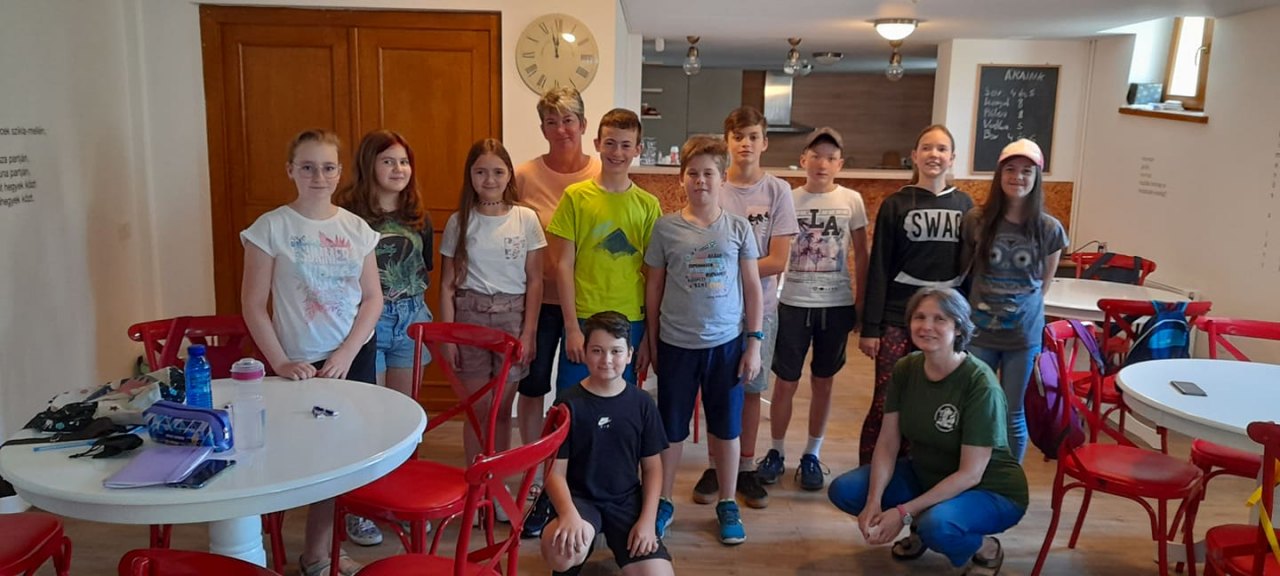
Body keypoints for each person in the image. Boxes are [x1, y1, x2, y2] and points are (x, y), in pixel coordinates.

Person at [240, 128, 381, 576]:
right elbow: (252, 304)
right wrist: (280, 361)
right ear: (291, 171)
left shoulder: (357, 229)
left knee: (342, 458)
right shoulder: (270, 228)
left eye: (327, 167)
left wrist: (347, 352)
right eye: (307, 167)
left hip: (350, 357)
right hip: (297, 362)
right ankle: (260, 547)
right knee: (302, 456)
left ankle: (318, 555)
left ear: (339, 172)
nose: (318, 177)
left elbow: (372, 299)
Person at [828, 287, 1027, 576]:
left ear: (958, 327)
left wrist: (902, 512)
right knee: (846, 490)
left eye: (940, 319)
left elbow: (970, 474)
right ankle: (922, 524)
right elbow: (888, 442)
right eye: (919, 317)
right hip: (927, 474)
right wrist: (873, 501)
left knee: (938, 526)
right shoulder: (906, 368)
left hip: (989, 489)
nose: (926, 326)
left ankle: (983, 547)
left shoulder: (980, 384)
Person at [644, 135, 763, 545]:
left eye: (709, 173)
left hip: (726, 347)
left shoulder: (738, 228)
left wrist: (754, 343)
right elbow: (653, 289)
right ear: (682, 179)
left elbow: (752, 288)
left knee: (726, 430)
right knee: (671, 429)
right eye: (692, 173)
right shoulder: (665, 229)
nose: (700, 181)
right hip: (676, 346)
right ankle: (662, 501)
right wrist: (652, 342)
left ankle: (727, 502)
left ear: (722, 178)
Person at [691, 106, 797, 510]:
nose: (745, 143)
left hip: (760, 309)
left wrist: (730, 271)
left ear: (764, 142)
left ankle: (747, 467)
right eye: (738, 136)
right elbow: (700, 247)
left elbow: (778, 259)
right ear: (727, 142)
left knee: (750, 389)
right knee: (717, 390)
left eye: (753, 136)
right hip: (713, 309)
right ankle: (716, 466)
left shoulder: (778, 191)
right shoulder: (714, 185)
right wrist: (729, 270)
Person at [333, 129, 434, 547]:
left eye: (404, 161)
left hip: (411, 318)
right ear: (369, 165)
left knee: (405, 418)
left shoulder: (419, 217)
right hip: (366, 320)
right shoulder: (347, 216)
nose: (398, 169)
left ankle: (401, 498)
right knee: (365, 418)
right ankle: (360, 507)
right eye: (388, 161)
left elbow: (425, 267)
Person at [759, 127, 868, 492]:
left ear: (840, 164)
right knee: (785, 382)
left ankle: (811, 454)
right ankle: (775, 451)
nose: (823, 163)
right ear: (803, 160)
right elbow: (775, 252)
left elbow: (862, 253)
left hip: (835, 305)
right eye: (816, 156)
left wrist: (861, 302)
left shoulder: (852, 200)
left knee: (823, 382)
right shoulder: (787, 198)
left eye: (831, 158)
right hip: (792, 303)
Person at [858, 124, 974, 466]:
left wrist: (968, 323)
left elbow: (971, 270)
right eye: (926, 148)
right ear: (914, 156)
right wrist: (870, 327)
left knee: (935, 400)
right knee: (887, 398)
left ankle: (919, 468)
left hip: (946, 321)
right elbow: (879, 266)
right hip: (897, 317)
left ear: (952, 158)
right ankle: (871, 469)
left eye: (941, 149)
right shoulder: (895, 204)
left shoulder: (966, 206)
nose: (934, 154)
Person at [439, 138, 546, 473]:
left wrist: (529, 333)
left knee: (501, 410)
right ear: (470, 175)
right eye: (481, 172)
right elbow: (447, 284)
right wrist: (448, 337)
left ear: (509, 174)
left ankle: (496, 478)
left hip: (512, 318)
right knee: (477, 410)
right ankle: (476, 478)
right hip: (469, 318)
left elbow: (535, 280)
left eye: (498, 172)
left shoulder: (525, 219)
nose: (489, 180)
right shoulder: (459, 221)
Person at [540, 311, 674, 576]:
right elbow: (554, 472)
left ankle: (616, 540)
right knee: (562, 556)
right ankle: (582, 541)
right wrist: (568, 514)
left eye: (616, 351)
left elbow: (652, 468)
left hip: (625, 501)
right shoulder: (567, 404)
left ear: (629, 354)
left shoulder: (642, 404)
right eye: (597, 351)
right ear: (585, 352)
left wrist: (647, 522)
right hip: (580, 500)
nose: (607, 360)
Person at [961, 139, 1067, 463]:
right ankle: (971, 474)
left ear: (1036, 178)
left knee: (1013, 413)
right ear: (999, 174)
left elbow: (1043, 283)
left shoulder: (1049, 229)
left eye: (1026, 171)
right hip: (979, 332)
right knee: (976, 407)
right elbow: (967, 273)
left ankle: (1008, 480)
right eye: (1010, 169)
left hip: (1023, 337)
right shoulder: (976, 220)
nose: (1017, 177)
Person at [514, 87, 601, 457]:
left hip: (588, 301)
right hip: (540, 300)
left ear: (583, 124)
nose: (561, 129)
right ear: (542, 129)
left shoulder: (601, 173)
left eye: (568, 120)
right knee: (533, 384)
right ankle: (533, 462)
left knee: (580, 386)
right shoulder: (524, 176)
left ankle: (573, 462)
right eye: (552, 122)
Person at [549, 108, 660, 391]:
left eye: (625, 145)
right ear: (597, 144)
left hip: (630, 319)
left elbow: (654, 275)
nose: (617, 152)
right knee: (572, 402)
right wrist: (571, 328)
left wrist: (648, 337)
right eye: (610, 143)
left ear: (638, 149)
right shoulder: (575, 198)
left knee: (620, 403)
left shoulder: (648, 205)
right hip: (584, 316)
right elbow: (563, 265)